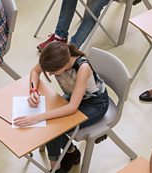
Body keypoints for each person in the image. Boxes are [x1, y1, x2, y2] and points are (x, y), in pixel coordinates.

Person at [13, 41, 109, 173]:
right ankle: (70, 153)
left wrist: (37, 117)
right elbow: (35, 71)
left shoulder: (83, 68)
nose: (51, 75)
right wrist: (33, 91)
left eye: (53, 72)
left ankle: (56, 168)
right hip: (74, 97)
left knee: (53, 128)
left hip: (95, 104)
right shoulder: (55, 56)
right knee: (50, 124)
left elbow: (72, 108)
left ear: (65, 64)